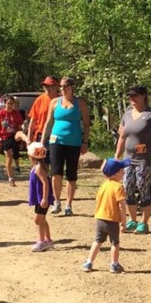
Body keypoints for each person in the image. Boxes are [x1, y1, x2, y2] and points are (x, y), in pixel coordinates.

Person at [115, 85, 151, 234]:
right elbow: (122, 136)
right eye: (130, 96)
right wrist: (117, 155)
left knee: (143, 186)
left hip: (145, 159)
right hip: (128, 158)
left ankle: (144, 222)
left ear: (143, 96)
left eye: (135, 96)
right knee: (128, 187)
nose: (132, 99)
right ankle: (132, 219)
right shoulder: (127, 114)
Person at [41, 76, 90, 216]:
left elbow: (86, 125)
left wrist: (84, 142)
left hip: (74, 143)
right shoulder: (55, 102)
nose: (62, 89)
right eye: (61, 86)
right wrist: (42, 141)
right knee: (56, 173)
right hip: (56, 141)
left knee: (71, 175)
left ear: (72, 87)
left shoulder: (80, 103)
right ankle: (57, 202)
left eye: (65, 86)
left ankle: (69, 204)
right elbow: (48, 123)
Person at [82, 157, 130, 273]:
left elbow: (98, 200)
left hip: (100, 218)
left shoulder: (103, 185)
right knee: (115, 243)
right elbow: (121, 206)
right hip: (112, 219)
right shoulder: (118, 187)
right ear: (116, 173)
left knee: (97, 241)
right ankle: (114, 264)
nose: (123, 172)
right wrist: (124, 222)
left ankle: (88, 262)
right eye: (122, 170)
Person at [26, 141, 55, 252]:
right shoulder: (38, 166)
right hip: (40, 198)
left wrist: (44, 198)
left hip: (42, 198)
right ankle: (48, 240)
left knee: (38, 220)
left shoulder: (38, 168)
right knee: (42, 219)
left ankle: (41, 241)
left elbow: (45, 183)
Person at [0, 96, 24, 187]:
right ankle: (11, 178)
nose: (10, 105)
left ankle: (27, 141)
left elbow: (19, 127)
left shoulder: (16, 114)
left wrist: (21, 142)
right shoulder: (0, 114)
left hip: (15, 135)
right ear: (5, 104)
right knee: (9, 156)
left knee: (20, 134)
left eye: (12, 104)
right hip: (5, 137)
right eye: (9, 103)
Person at [26, 76, 61, 144]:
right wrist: (29, 137)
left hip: (57, 135)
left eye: (50, 86)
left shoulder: (62, 100)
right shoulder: (39, 99)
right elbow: (33, 120)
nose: (47, 88)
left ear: (57, 87)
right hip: (40, 135)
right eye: (45, 86)